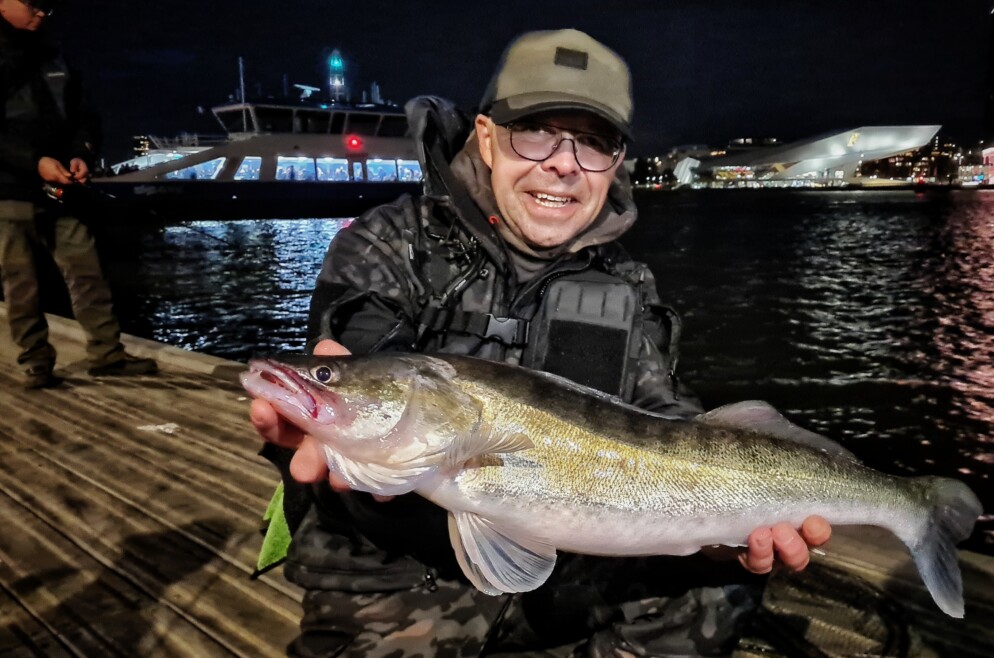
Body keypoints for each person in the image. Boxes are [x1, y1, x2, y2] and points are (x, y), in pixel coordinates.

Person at [251, 28, 831, 658]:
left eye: (594, 142)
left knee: (723, 588)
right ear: (487, 138)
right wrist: (334, 385)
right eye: (535, 132)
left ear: (615, 163)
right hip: (394, 567)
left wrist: (727, 529)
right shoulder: (388, 241)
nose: (563, 163)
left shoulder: (628, 285)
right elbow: (364, 349)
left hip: (571, 557)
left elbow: (663, 420)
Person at [0, 0, 157, 388]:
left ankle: (107, 355)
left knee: (87, 271)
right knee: (21, 281)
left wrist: (81, 154)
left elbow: (86, 117)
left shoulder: (56, 59)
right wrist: (35, 162)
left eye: (46, 6)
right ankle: (36, 361)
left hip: (60, 189)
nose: (41, 12)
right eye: (32, 4)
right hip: (10, 192)